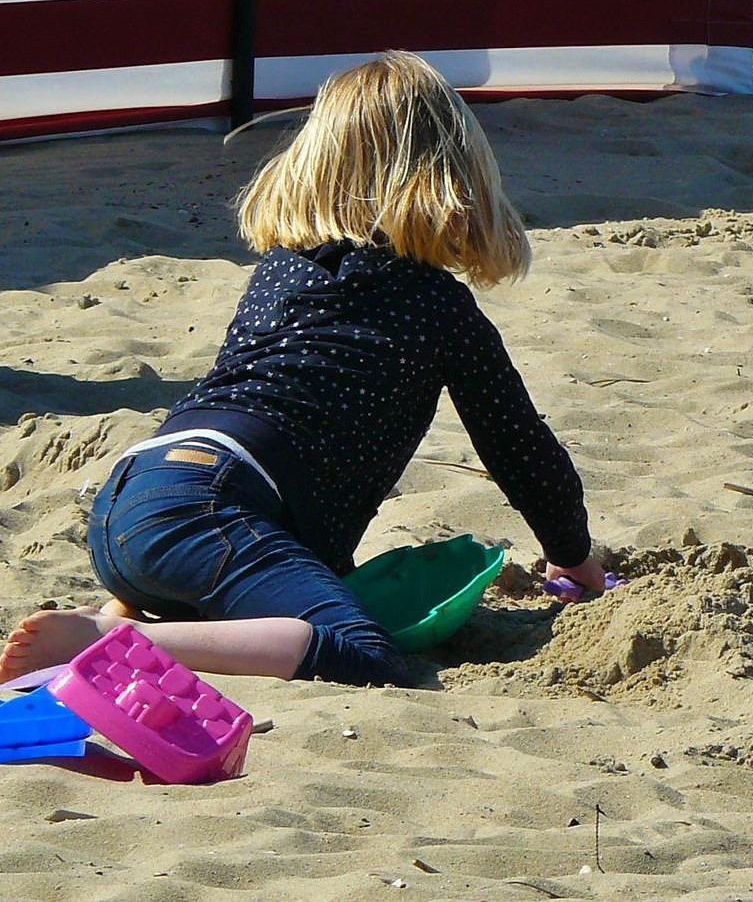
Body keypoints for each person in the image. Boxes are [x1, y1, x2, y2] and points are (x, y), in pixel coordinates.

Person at [0, 51, 607, 687]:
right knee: (360, 651)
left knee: (233, 581)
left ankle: (130, 603)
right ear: (456, 180)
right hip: (209, 509)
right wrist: (572, 556)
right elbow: (519, 446)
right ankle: (118, 637)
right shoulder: (439, 305)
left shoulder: (281, 271)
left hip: (130, 500)